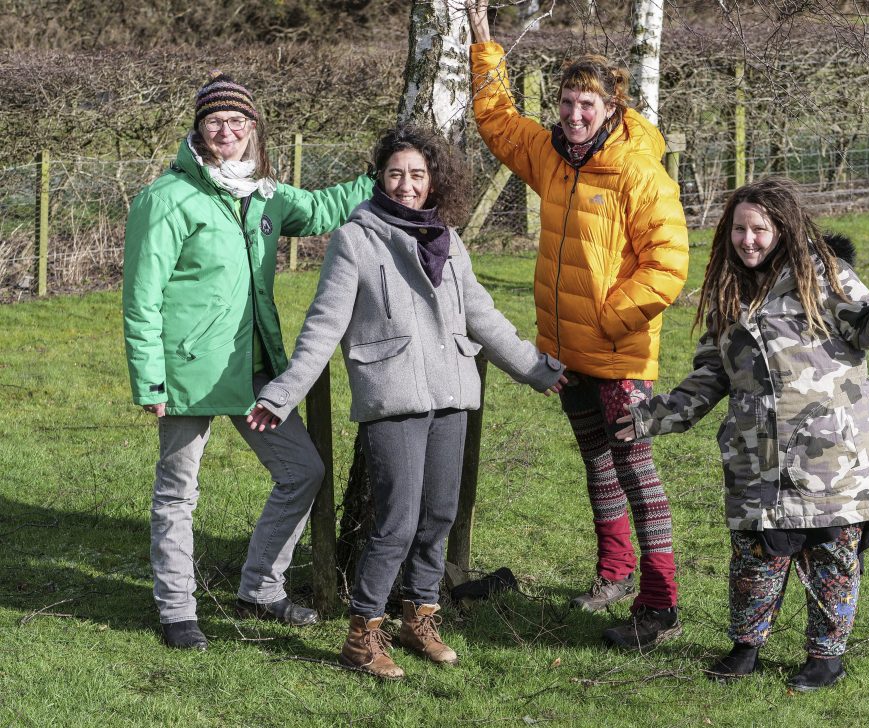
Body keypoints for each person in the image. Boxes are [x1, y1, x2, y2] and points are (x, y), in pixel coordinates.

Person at [246, 125, 567, 680]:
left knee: (440, 512)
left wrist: (537, 371)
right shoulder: (356, 239)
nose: (406, 185)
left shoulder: (449, 237)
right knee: (395, 521)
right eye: (396, 173)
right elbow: (324, 327)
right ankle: (362, 634)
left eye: (417, 174)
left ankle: (419, 618)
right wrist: (281, 394)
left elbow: (483, 317)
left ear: (434, 180)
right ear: (380, 177)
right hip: (393, 398)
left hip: (451, 393)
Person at [614, 177, 869, 691]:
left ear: (783, 229)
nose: (748, 240)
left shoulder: (824, 275)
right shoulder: (728, 291)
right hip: (757, 458)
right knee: (755, 559)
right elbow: (711, 375)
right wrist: (649, 417)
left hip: (832, 456)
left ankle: (825, 658)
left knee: (831, 555)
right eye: (740, 230)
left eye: (760, 230)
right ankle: (746, 647)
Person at [122, 71, 373, 651]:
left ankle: (260, 587)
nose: (226, 130)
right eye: (215, 121)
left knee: (303, 471)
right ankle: (177, 608)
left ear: (253, 129)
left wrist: (389, 171)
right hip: (188, 372)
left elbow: (321, 208)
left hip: (256, 365)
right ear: (198, 128)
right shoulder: (166, 198)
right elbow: (141, 297)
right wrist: (150, 379)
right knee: (178, 492)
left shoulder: (263, 195)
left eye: (238, 121)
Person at [466, 0, 690, 650]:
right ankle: (615, 573)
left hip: (619, 356)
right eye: (567, 102)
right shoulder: (552, 155)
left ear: (613, 108)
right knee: (597, 462)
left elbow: (668, 265)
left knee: (638, 473)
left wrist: (610, 321)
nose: (574, 114)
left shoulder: (637, 172)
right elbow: (497, 120)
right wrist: (484, 41)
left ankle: (660, 605)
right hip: (567, 354)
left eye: (587, 104)